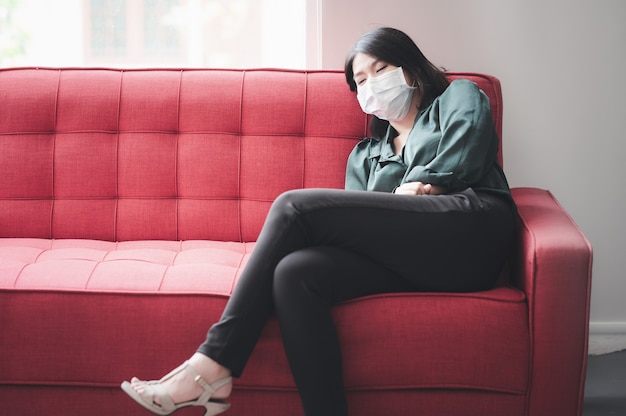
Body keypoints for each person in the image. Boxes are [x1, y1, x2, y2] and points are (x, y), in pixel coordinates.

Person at [121, 27, 516, 416]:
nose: (372, 84)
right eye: (361, 80)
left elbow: (470, 146)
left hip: (470, 234)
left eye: (381, 70)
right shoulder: (365, 157)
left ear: (410, 69)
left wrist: (423, 184)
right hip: (415, 264)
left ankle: (211, 365)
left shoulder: (458, 95)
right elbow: (362, 232)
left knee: (294, 207)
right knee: (295, 272)